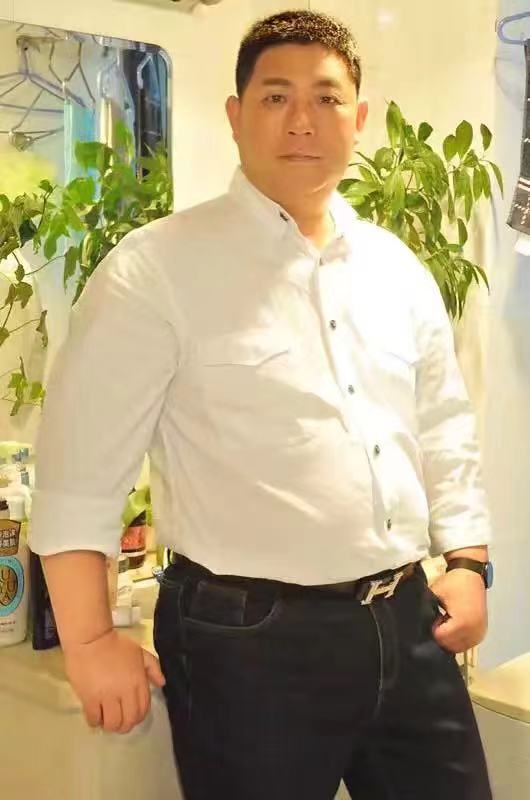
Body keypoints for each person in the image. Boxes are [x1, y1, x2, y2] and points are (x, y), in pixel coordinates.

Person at [29, 9, 493, 800]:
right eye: (276, 97)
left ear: (359, 119)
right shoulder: (155, 270)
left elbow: (443, 427)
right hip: (247, 642)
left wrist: (469, 562)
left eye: (326, 98)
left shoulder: (396, 269)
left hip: (405, 619)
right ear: (236, 116)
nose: (302, 120)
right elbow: (79, 469)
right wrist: (91, 638)